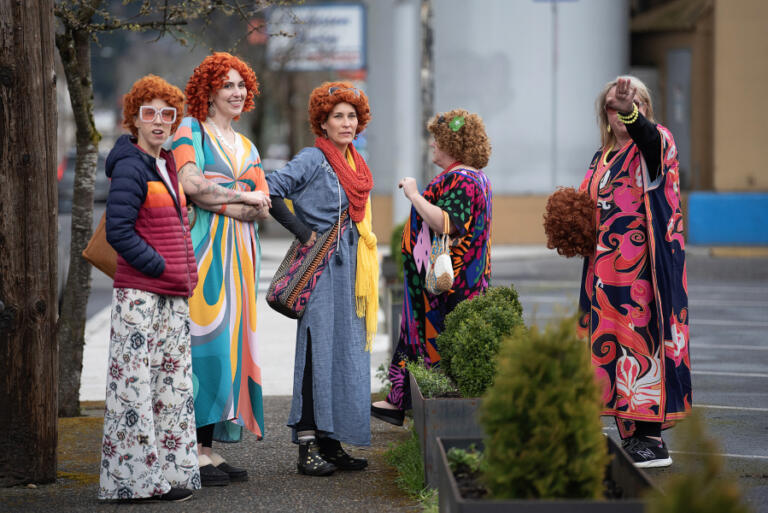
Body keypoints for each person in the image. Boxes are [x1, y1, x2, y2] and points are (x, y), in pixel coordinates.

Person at [265, 81, 379, 476]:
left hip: (351, 272)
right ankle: (308, 446)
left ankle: (331, 444)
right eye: (338, 117)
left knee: (344, 353)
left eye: (351, 116)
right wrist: (302, 231)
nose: (346, 123)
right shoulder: (313, 158)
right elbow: (271, 190)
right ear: (324, 122)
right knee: (316, 352)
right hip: (320, 268)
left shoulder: (356, 164)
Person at [577, 76, 691, 468]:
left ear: (643, 108)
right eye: (613, 106)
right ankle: (631, 435)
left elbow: (648, 137)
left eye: (631, 104)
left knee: (640, 344)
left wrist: (632, 115)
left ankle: (651, 440)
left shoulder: (656, 145)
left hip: (644, 275)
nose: (622, 110)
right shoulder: (600, 158)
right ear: (603, 116)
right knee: (608, 348)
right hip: (604, 275)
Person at [171, 52, 271, 486]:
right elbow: (190, 186)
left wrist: (236, 201)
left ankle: (207, 450)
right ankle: (187, 451)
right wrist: (243, 197)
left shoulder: (247, 145)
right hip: (202, 254)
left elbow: (262, 208)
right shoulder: (189, 130)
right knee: (201, 347)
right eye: (226, 85)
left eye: (240, 85)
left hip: (241, 260)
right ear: (208, 90)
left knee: (229, 351)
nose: (236, 92)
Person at [99, 75, 198, 502]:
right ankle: (135, 483)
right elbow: (118, 231)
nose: (159, 121)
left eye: (167, 114)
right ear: (134, 119)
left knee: (169, 387)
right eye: (149, 113)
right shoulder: (130, 164)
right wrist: (159, 265)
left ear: (175, 121)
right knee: (134, 391)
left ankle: (170, 473)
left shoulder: (167, 163)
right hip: (141, 293)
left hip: (170, 293)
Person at [372, 109, 493, 425]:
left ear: (453, 143)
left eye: (437, 140)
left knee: (435, 339)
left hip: (449, 284)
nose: (432, 146)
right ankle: (399, 401)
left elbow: (447, 223)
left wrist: (413, 195)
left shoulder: (461, 179)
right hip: (457, 280)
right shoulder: (474, 178)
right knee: (422, 337)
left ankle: (424, 408)